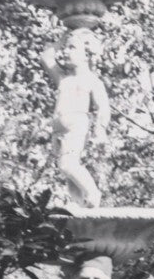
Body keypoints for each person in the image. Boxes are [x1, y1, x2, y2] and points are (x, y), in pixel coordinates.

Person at [42, 27, 110, 208]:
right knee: (67, 170)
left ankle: (93, 193)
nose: (65, 51)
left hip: (76, 125)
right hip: (58, 129)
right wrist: (66, 36)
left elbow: (103, 107)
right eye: (65, 47)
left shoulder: (91, 80)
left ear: (87, 54)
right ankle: (79, 203)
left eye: (72, 48)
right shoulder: (63, 78)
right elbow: (47, 58)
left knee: (67, 164)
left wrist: (100, 128)